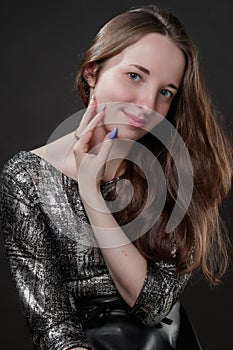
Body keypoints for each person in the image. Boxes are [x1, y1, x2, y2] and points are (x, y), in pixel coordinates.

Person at [0, 4, 232, 350]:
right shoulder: (25, 178)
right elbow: (52, 325)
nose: (148, 105)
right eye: (135, 76)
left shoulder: (175, 170)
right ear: (92, 72)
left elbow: (153, 306)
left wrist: (93, 195)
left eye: (166, 92)